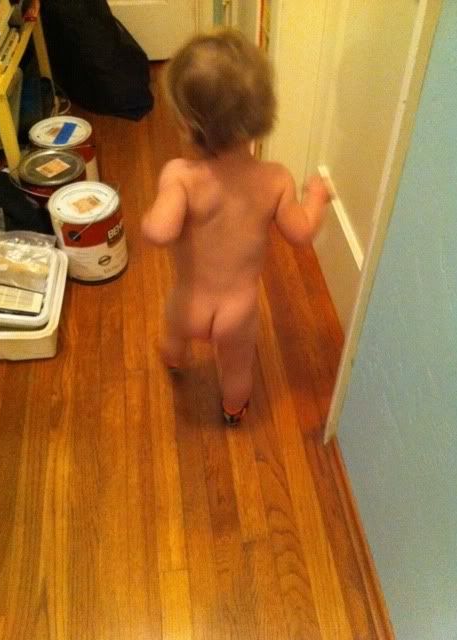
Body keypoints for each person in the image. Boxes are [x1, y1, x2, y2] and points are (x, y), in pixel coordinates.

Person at [141, 28, 331, 425]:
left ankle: (174, 358)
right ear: (262, 115)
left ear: (186, 124)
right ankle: (233, 409)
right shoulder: (276, 180)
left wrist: (155, 215)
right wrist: (316, 198)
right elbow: (301, 233)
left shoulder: (181, 177)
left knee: (174, 334)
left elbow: (159, 232)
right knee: (238, 366)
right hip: (237, 311)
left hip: (189, 302)